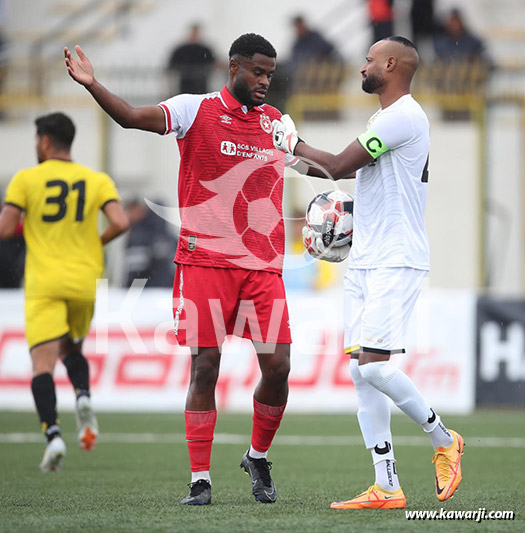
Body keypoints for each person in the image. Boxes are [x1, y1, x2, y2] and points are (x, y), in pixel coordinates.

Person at [65, 33, 301, 506]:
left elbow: (313, 161)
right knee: (205, 367)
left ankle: (257, 457)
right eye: (257, 71)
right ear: (233, 67)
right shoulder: (195, 110)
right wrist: (93, 85)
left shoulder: (277, 122)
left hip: (261, 266)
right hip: (204, 262)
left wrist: (360, 169)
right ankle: (200, 479)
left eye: (270, 74)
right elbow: (133, 118)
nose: (264, 81)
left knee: (278, 368)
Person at [272, 36, 464, 509]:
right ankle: (387, 484)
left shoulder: (403, 117)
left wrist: (293, 141)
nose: (362, 67)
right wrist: (287, 154)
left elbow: (336, 164)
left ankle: (444, 439)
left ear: (392, 64)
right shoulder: (383, 119)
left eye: (370, 60)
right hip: (365, 259)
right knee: (362, 375)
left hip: (395, 259)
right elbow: (340, 173)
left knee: (375, 367)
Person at [0, 112, 129, 471]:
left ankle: (54, 434)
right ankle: (83, 396)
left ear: (43, 141)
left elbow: (6, 228)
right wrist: (93, 243)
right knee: (72, 346)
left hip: (44, 282)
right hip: (84, 280)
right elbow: (121, 222)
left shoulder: (26, 179)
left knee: (42, 362)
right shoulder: (95, 179)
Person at [124, 199, 178, 287]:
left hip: (147, 292)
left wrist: (128, 291)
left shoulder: (139, 236)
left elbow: (135, 270)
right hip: (169, 290)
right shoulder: (171, 237)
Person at [166, 24, 215, 94]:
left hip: (202, 87)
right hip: (184, 87)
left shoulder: (205, 50)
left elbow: (214, 64)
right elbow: (171, 66)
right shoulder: (180, 50)